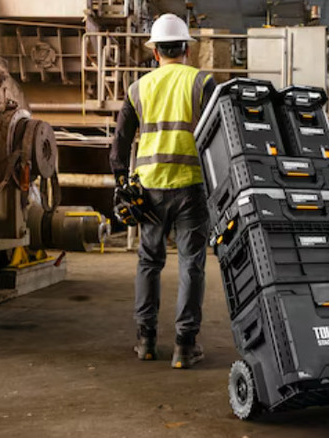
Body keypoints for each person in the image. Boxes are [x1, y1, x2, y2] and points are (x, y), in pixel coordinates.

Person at [109, 13, 216, 369]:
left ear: (155, 53)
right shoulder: (203, 83)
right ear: (186, 49)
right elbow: (223, 136)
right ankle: (185, 346)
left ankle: (146, 341)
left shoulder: (138, 88)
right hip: (192, 188)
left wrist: (121, 181)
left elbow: (121, 140)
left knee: (149, 263)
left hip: (150, 190)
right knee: (191, 265)